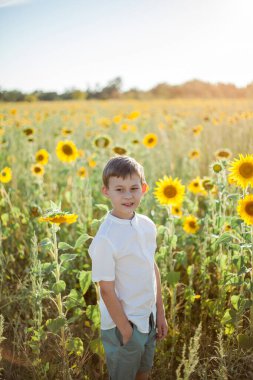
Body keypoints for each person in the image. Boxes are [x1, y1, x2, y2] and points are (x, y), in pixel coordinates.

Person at [88, 156, 168, 380]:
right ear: (106, 192)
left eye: (134, 188)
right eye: (119, 189)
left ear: (144, 188)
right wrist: (125, 330)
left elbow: (152, 268)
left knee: (144, 372)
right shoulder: (106, 237)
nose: (128, 195)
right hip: (123, 324)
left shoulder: (147, 225)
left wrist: (160, 313)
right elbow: (106, 289)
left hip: (148, 319)